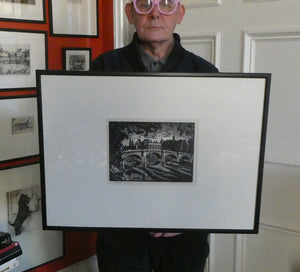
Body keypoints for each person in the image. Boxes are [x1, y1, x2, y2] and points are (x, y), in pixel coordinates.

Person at [91, 0, 218, 271]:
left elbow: (213, 158)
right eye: (144, 3)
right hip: (120, 228)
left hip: (186, 230)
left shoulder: (206, 74)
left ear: (180, 14)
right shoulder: (103, 68)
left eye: (167, 3)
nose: (155, 12)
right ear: (129, 13)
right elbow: (92, 149)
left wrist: (184, 215)